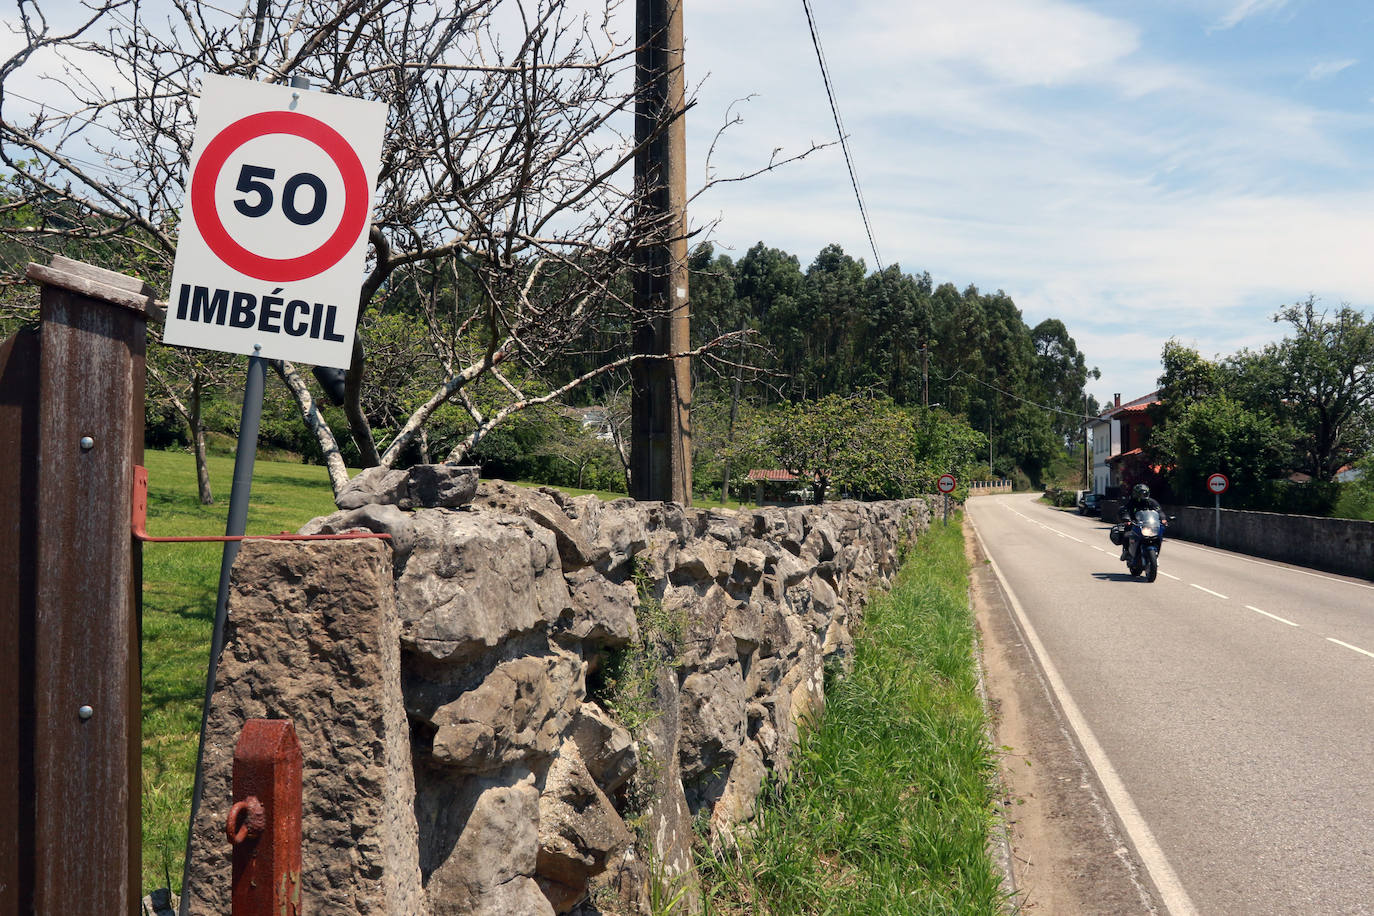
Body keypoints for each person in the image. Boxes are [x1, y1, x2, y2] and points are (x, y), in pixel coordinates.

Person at [1117, 483, 1163, 560]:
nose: (1141, 496)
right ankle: (1126, 551)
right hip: (1135, 524)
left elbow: (1159, 511)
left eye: (1143, 494)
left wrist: (1163, 519)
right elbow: (1125, 510)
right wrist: (1127, 519)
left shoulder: (1151, 502)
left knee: (1158, 536)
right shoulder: (1132, 502)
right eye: (1139, 494)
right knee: (1126, 535)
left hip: (1148, 525)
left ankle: (1155, 552)